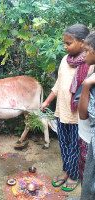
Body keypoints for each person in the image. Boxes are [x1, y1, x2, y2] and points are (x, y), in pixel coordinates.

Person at [41, 24, 94, 192]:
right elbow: (59, 84)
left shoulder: (91, 63)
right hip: (61, 112)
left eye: (68, 43)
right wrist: (47, 101)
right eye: (64, 43)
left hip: (78, 116)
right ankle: (66, 171)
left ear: (82, 42)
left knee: (75, 148)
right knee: (63, 145)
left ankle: (74, 175)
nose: (65, 46)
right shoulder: (65, 60)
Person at [77, 31, 95, 200]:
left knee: (89, 183)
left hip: (91, 143)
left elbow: (83, 114)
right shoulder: (92, 70)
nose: (84, 54)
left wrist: (86, 84)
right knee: (85, 178)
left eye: (87, 50)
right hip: (84, 137)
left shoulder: (91, 81)